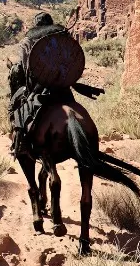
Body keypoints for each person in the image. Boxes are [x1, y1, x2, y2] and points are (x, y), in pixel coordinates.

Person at [8, 12, 103, 157]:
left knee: (17, 107)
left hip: (39, 88)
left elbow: (26, 66)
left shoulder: (28, 40)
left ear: (36, 24)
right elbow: (72, 59)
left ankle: (21, 144)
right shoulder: (61, 35)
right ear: (51, 23)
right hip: (63, 86)